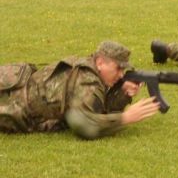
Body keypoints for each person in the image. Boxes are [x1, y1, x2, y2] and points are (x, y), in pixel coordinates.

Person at [0, 41, 160, 139]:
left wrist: (123, 93)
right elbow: (83, 123)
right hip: (12, 105)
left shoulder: (88, 68)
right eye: (118, 68)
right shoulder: (87, 80)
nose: (121, 75)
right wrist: (125, 118)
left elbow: (97, 108)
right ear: (100, 63)